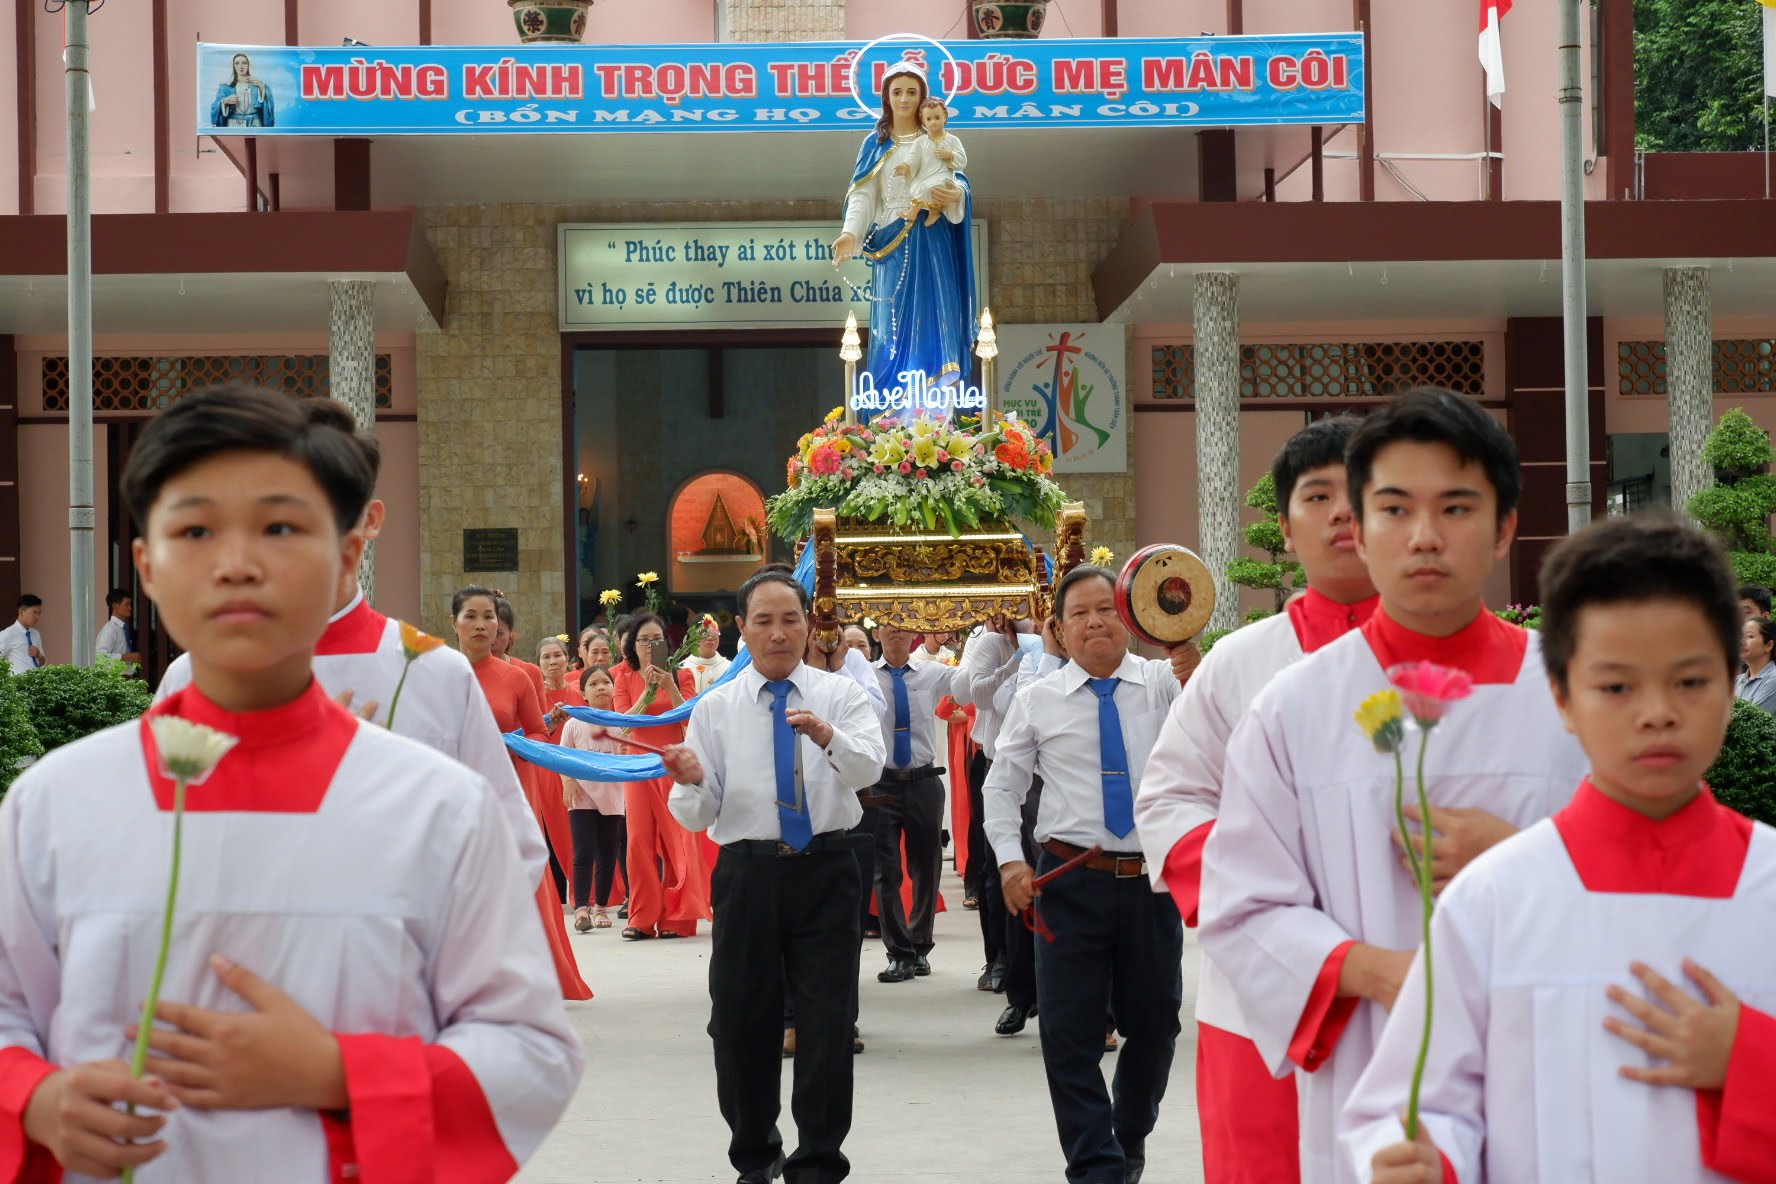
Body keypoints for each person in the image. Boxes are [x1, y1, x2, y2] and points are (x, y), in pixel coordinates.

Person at [0, 386, 579, 1179]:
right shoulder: (56, 804)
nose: (237, 564)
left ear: (347, 554)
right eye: (195, 529)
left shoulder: (438, 810)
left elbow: (530, 1053)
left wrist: (336, 1074)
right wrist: (33, 1101)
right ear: (148, 566)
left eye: (280, 527)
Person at [1199, 387, 1590, 1184]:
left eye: (1456, 507)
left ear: (1505, 525)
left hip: (1549, 1059)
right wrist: (1379, 971)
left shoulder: (1578, 694)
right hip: (1371, 1065)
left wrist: (1524, 859)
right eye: (1394, 508)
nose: (1424, 537)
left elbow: (1654, 872)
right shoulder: (1296, 708)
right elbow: (1242, 908)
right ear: (1363, 526)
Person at [1345, 514, 1776, 1184]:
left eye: (1691, 681)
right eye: (1616, 686)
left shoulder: (1768, 883)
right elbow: (1420, 1101)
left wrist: (1748, 1061)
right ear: (1563, 699)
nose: (1657, 711)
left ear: (1732, 684)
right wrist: (1426, 1160)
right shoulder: (1497, 897)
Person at [153, 413, 549, 888]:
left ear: (369, 520)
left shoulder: (437, 674)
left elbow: (510, 847)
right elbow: (159, 844)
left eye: (323, 509)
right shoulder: (196, 678)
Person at [1134, 416, 1378, 1184]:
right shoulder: (1241, 662)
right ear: (1285, 525)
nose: (1343, 512)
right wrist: (1261, 903)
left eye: (1365, 494)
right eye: (1318, 495)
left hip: (1416, 976)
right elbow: (1171, 797)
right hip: (1263, 990)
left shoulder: (1458, 659)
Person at [662, 568, 886, 1184]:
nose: (778, 633)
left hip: (829, 868)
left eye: (790, 619)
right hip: (749, 874)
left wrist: (826, 734)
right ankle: (755, 1158)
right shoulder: (715, 708)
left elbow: (869, 770)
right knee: (739, 1022)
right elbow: (701, 811)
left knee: (826, 1021)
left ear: (809, 623)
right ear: (742, 630)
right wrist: (689, 780)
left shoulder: (839, 695)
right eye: (763, 620)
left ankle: (817, 1163)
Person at [984, 565, 1201, 1184]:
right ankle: (1095, 1167)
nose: (1095, 622)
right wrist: (1009, 862)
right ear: (1057, 627)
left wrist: (1197, 670)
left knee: (1156, 1026)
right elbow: (1003, 789)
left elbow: (1223, 731)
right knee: (1069, 1035)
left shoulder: (1165, 684)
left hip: (1150, 882)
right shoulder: (1037, 699)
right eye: (1079, 613)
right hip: (1067, 881)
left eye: (1106, 609)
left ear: (1129, 617)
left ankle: (1127, 1140)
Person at [453, 584, 593, 1001]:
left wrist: (511, 741)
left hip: (508, 788)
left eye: (489, 617)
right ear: (453, 623)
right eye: (471, 616)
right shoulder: (436, 670)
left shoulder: (518, 676)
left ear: (501, 627)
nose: (481, 625)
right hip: (454, 792)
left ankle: (531, 977)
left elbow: (537, 730)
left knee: (518, 879)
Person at [831, 59, 974, 397]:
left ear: (924, 98)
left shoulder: (939, 142)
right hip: (890, 242)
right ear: (886, 97)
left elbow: (959, 181)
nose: (905, 99)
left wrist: (956, 194)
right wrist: (851, 232)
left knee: (934, 310)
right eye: (897, 92)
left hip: (931, 235)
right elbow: (864, 193)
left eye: (913, 92)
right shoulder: (874, 144)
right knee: (891, 324)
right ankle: (893, 402)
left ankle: (936, 397)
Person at [953, 615, 1046, 1000]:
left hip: (1045, 769)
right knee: (998, 867)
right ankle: (1000, 959)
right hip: (996, 762)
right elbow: (978, 697)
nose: (1031, 618)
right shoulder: (990, 643)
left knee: (1043, 865)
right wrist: (1019, 658)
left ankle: (1041, 966)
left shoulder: (1058, 644)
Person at [612, 611, 709, 941]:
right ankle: (641, 918)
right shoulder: (624, 677)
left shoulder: (681, 675)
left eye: (656, 640)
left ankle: (677, 919)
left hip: (672, 764)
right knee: (638, 840)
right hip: (637, 766)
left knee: (676, 841)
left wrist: (670, 686)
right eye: (643, 640)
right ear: (632, 645)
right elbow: (623, 723)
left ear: (667, 645)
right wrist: (648, 692)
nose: (649, 646)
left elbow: (691, 721)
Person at [867, 622, 953, 982]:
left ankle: (920, 946)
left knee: (926, 866)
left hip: (923, 780)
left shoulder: (933, 672)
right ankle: (898, 952)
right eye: (889, 625)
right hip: (881, 783)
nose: (896, 632)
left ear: (915, 633)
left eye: (903, 626)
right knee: (885, 872)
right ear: (876, 634)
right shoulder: (864, 678)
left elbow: (976, 685)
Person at [560, 664, 629, 933]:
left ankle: (601, 907)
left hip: (612, 794)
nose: (601, 687)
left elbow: (625, 760)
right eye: (593, 684)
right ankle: (581, 909)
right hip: (582, 795)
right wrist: (568, 782)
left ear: (613, 688)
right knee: (583, 852)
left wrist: (624, 753)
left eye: (605, 682)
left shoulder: (621, 723)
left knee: (608, 852)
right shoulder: (573, 724)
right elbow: (563, 757)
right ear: (583, 693)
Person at [895, 98, 968, 227]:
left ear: (945, 117)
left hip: (943, 176)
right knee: (918, 187)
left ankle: (933, 212)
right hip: (924, 175)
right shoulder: (920, 141)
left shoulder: (952, 140)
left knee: (928, 187)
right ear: (923, 121)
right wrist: (905, 166)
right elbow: (913, 156)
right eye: (929, 119)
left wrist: (951, 155)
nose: (933, 122)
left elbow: (962, 160)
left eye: (937, 117)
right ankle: (913, 212)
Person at [210, 50, 274, 128]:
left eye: (244, 63)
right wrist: (225, 101)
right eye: (237, 63)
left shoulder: (257, 84)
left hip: (255, 124)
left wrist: (261, 87)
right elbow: (215, 106)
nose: (241, 66)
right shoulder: (226, 86)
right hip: (234, 124)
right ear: (233, 66)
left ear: (248, 65)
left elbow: (266, 107)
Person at [1735, 616, 1776, 714]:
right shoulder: (1737, 681)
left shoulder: (1773, 679)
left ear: (1769, 645)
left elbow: (1750, 719)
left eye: (1749, 636)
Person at [681, 614, 732, 692]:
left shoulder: (730, 667)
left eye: (714, 633)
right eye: (705, 634)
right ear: (693, 637)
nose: (710, 638)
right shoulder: (683, 668)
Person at [93, 588, 142, 667]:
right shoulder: (110, 629)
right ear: (115, 606)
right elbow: (99, 657)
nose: (130, 608)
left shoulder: (122, 629)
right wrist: (126, 656)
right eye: (126, 604)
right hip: (114, 678)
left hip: (123, 677)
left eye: (130, 604)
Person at [0, 595, 45, 674]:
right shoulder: (8, 634)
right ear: (21, 612)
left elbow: (42, 662)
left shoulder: (36, 634)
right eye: (34, 612)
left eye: (39, 613)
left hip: (36, 682)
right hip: (17, 683)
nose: (37, 617)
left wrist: (38, 655)